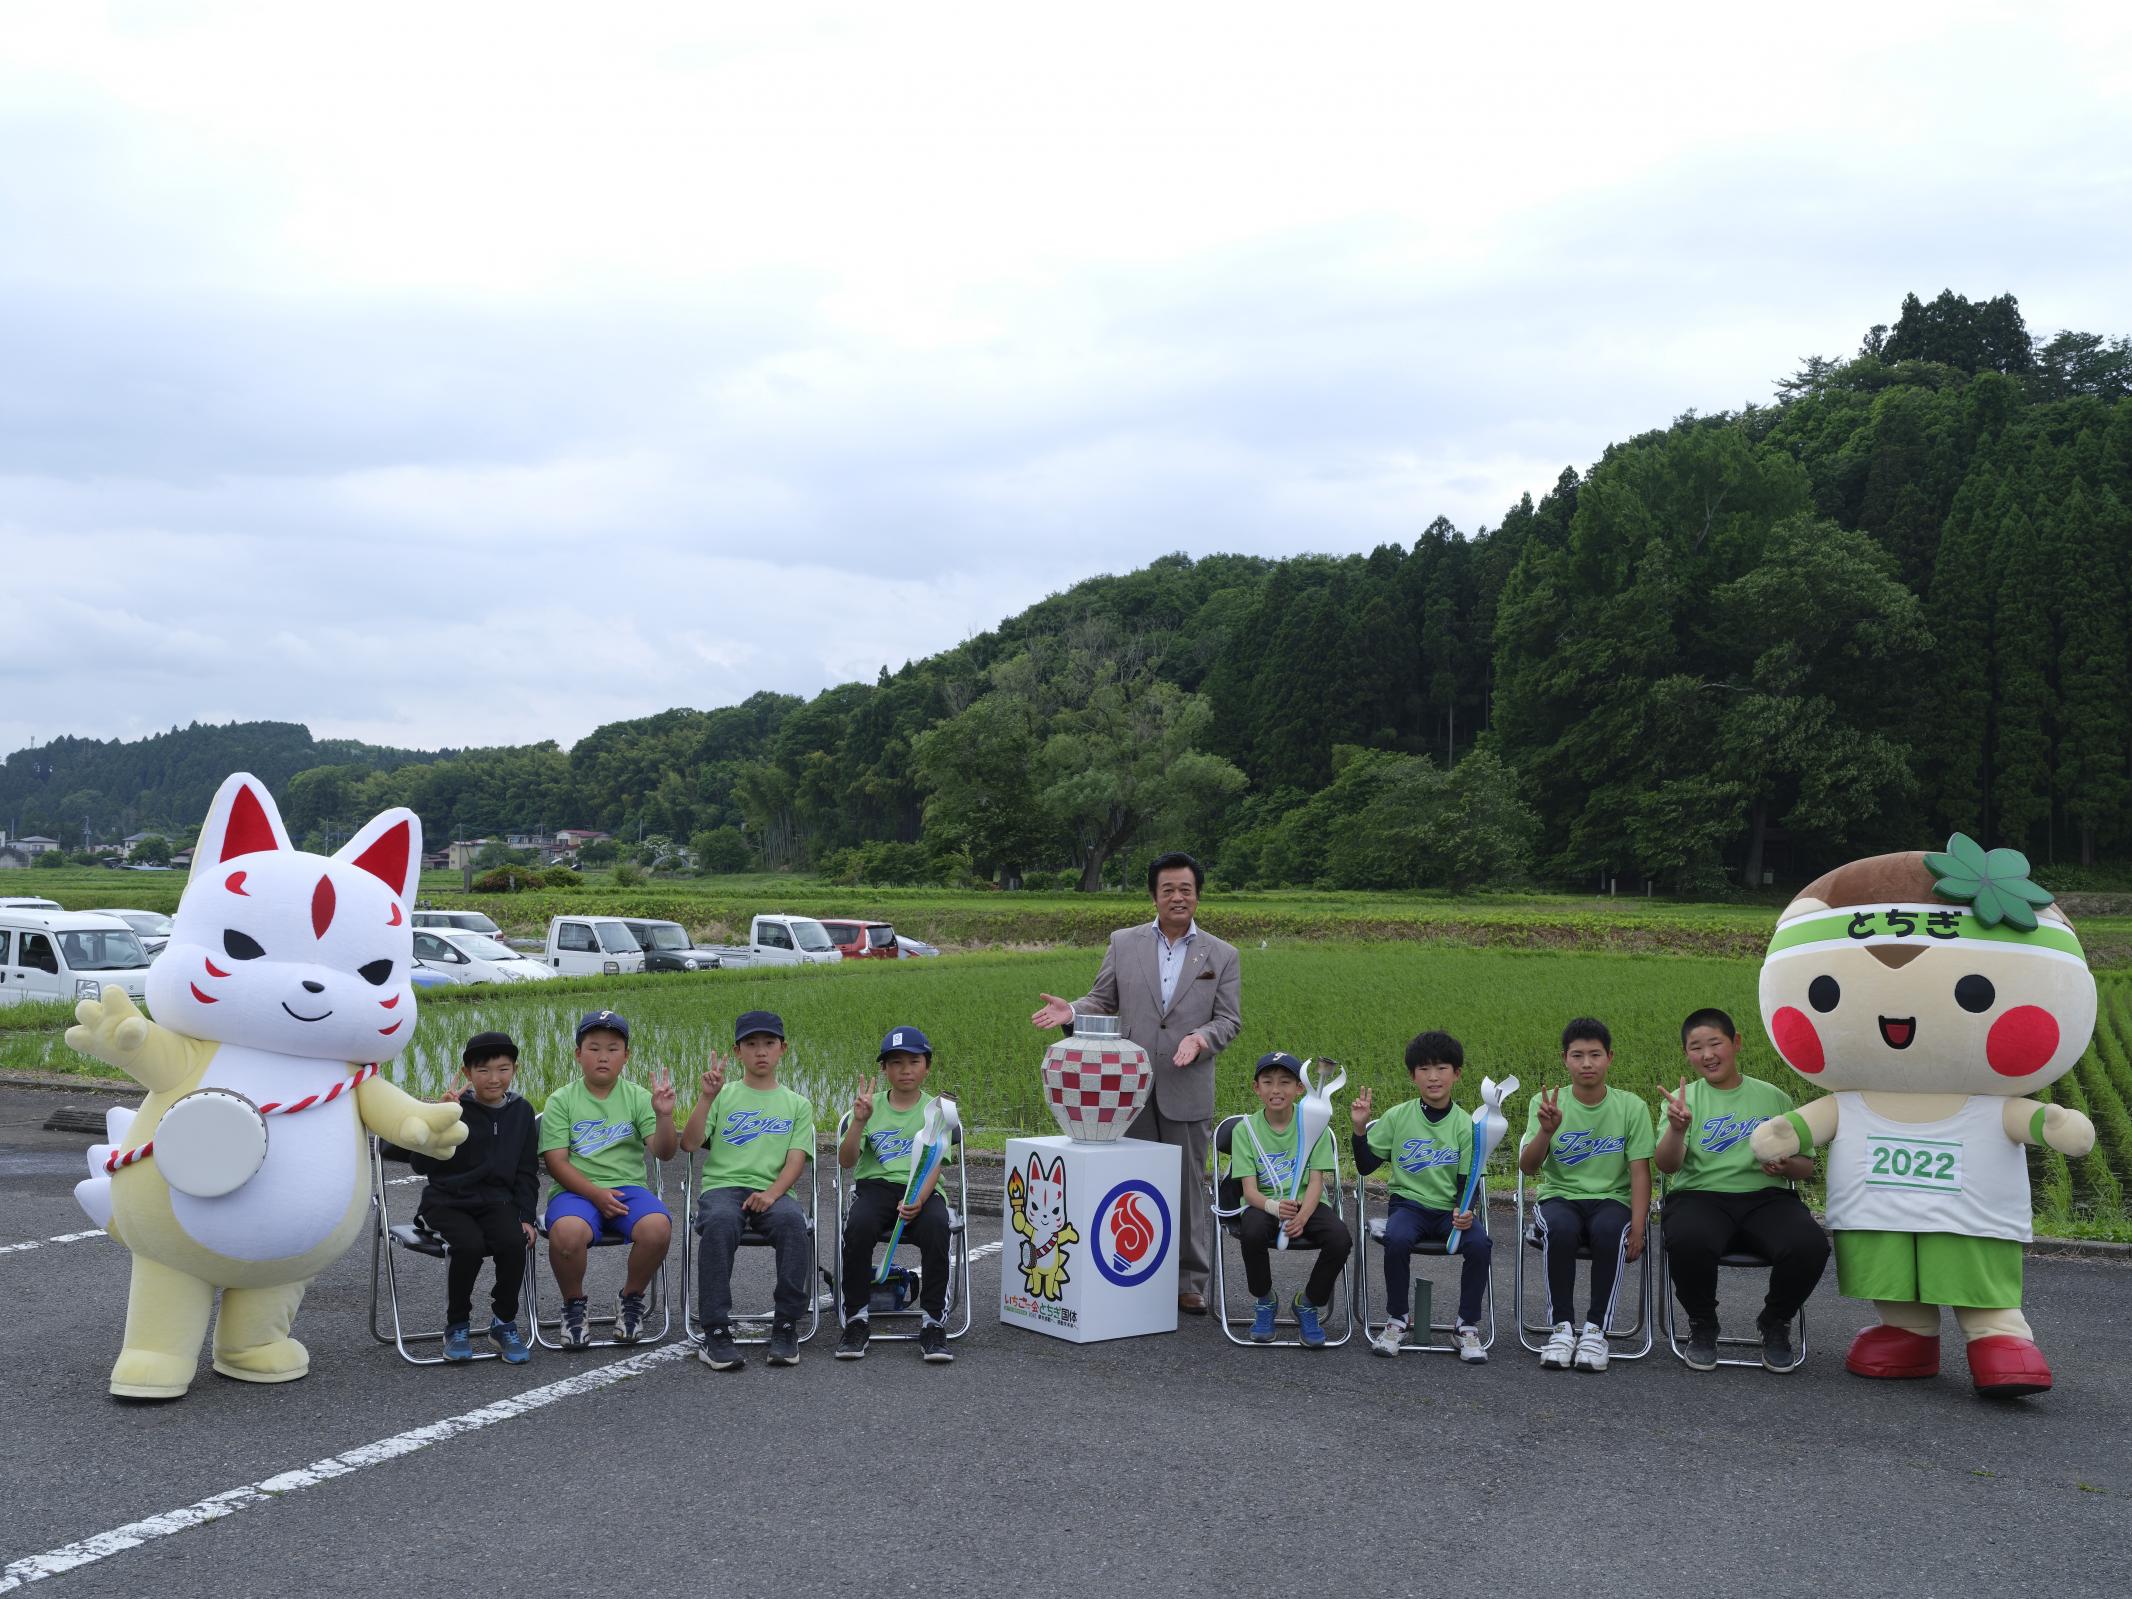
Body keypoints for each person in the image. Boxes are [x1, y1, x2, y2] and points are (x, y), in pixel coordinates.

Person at [1030, 850, 1241, 1313]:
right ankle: (1134, 1273)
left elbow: (1228, 1020)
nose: (1177, 897)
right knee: (1132, 1186)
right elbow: (1102, 999)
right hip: (1127, 1089)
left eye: (1186, 889)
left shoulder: (1221, 955)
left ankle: (1190, 1281)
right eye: (1168, 889)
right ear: (1154, 896)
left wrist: (1201, 1039)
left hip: (1188, 1088)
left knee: (1187, 1188)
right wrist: (1072, 1012)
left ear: (1198, 896)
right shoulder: (1124, 943)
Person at [1655, 1007, 1828, 1372]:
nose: (1707, 1055)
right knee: (1686, 1237)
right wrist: (1677, 1129)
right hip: (1699, 1196)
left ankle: (1775, 1321)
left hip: (1766, 1199)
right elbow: (1668, 1166)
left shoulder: (1774, 1098)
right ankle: (1703, 1324)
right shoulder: (1680, 1102)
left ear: (1735, 1043)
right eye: (1695, 1047)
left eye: (1715, 1043)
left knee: (1810, 1244)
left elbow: (1806, 1165)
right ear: (1687, 1053)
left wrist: (1785, 1164)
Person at [682, 1009, 815, 1372]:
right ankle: (716, 1331)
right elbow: (690, 1144)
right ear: (737, 1051)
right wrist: (706, 1098)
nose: (761, 1052)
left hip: (773, 1191)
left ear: (782, 1049)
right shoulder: (723, 1096)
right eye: (751, 1044)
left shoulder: (797, 1104)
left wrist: (772, 1194)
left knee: (792, 1224)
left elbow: (795, 1161)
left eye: (769, 1043)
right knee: (722, 1222)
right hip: (723, 1188)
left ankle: (786, 1326)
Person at [1517, 1017, 1652, 1372]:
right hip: (1560, 1196)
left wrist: (1638, 1227)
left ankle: (1595, 1331)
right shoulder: (1545, 1103)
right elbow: (1528, 1167)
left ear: (1610, 1057)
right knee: (1559, 1229)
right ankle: (1561, 1328)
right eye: (1578, 1055)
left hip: (1612, 1200)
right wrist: (1546, 1132)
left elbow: (1640, 1172)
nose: (1587, 1063)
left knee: (1610, 1232)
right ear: (1565, 1059)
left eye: (1595, 1054)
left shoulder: (1631, 1107)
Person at [538, 1010, 679, 1349]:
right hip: (576, 1191)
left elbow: (665, 1152)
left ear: (626, 1056)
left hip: (628, 1190)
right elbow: (556, 1163)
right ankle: (574, 1305)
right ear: (578, 1054)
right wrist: (596, 1194)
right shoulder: (561, 1100)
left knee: (658, 1228)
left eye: (613, 1049)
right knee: (567, 1234)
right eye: (594, 1047)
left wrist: (664, 1117)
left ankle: (631, 1299)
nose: (603, 1056)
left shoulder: (638, 1097)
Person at [1350, 1030, 1491, 1363]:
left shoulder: (1467, 1125)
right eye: (1424, 1069)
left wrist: (1465, 1212)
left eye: (1442, 1068)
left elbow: (1466, 1181)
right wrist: (1360, 1129)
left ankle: (1466, 1326)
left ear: (1456, 1073)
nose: (1433, 1076)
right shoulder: (1399, 1116)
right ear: (1413, 1075)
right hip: (1409, 1206)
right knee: (1396, 1238)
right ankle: (1398, 1319)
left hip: (1448, 1210)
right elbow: (1367, 1165)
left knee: (1479, 1243)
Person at [402, 1030, 539, 1363]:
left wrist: (526, 1217)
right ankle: (457, 1325)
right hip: (447, 1201)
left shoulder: (521, 1111)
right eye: (483, 1070)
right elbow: (421, 1165)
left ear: (515, 1070)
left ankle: (503, 1323)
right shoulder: (453, 1108)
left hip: (497, 1201)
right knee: (469, 1246)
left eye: (503, 1069)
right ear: (467, 1073)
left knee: (513, 1241)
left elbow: (526, 1172)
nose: (494, 1079)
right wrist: (438, 1122)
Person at [835, 1025, 956, 1365]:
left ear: (927, 1067)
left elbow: (936, 1163)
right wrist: (858, 1122)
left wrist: (919, 1198)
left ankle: (933, 1322)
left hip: (923, 1190)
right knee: (858, 1226)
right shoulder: (868, 1106)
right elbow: (847, 1162)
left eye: (914, 1061)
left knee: (935, 1226)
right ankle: (857, 1317)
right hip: (876, 1188)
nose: (905, 1069)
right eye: (896, 1062)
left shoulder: (937, 1110)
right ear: (884, 1069)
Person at [1227, 1051, 1351, 1348]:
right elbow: (1249, 1190)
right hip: (1265, 1203)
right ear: (1257, 1088)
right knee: (1253, 1231)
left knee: (1340, 1239)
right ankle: (1265, 1299)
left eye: (1285, 1082)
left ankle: (1308, 1302)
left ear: (1300, 1088)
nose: (1276, 1089)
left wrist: (1303, 1216)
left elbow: (1317, 1181)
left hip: (1307, 1204)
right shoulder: (1245, 1129)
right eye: (1267, 1082)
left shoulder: (1315, 1123)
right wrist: (1274, 1207)